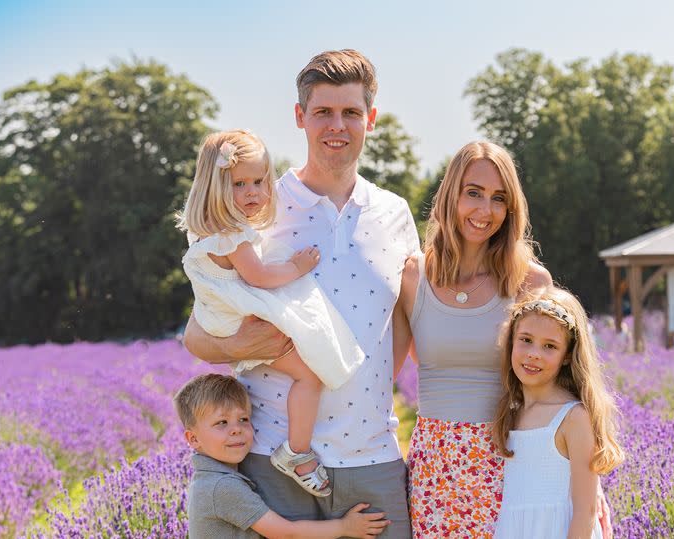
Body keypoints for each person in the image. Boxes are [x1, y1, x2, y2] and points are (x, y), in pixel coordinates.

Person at [183, 49, 419, 537]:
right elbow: (198, 336)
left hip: (369, 452)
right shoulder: (254, 204)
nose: (338, 125)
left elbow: (403, 323)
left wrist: (357, 385)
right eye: (323, 112)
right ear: (300, 117)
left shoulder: (394, 213)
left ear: (370, 118)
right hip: (272, 456)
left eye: (351, 112)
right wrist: (242, 347)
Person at [177, 129, 366, 496]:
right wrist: (298, 266)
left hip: (223, 316)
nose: (253, 192)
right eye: (239, 184)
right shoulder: (232, 234)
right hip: (238, 322)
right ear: (215, 189)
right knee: (310, 375)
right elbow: (260, 276)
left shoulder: (209, 233)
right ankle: (295, 452)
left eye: (260, 181)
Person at [393, 141, 551, 538]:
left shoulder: (530, 282)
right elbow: (383, 380)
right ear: (451, 195)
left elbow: (554, 386)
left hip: (509, 458)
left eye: (499, 198)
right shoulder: (413, 277)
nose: (485, 211)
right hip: (434, 465)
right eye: (474, 193)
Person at [174, 373, 390, 538]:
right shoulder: (221, 487)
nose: (236, 429)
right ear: (193, 439)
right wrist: (344, 527)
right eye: (222, 422)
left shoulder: (213, 479)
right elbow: (286, 533)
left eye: (243, 419)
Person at [491, 288, 624, 538]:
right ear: (511, 341)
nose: (534, 354)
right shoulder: (510, 412)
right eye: (526, 340)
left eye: (550, 346)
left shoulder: (572, 418)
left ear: (566, 356)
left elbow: (586, 511)